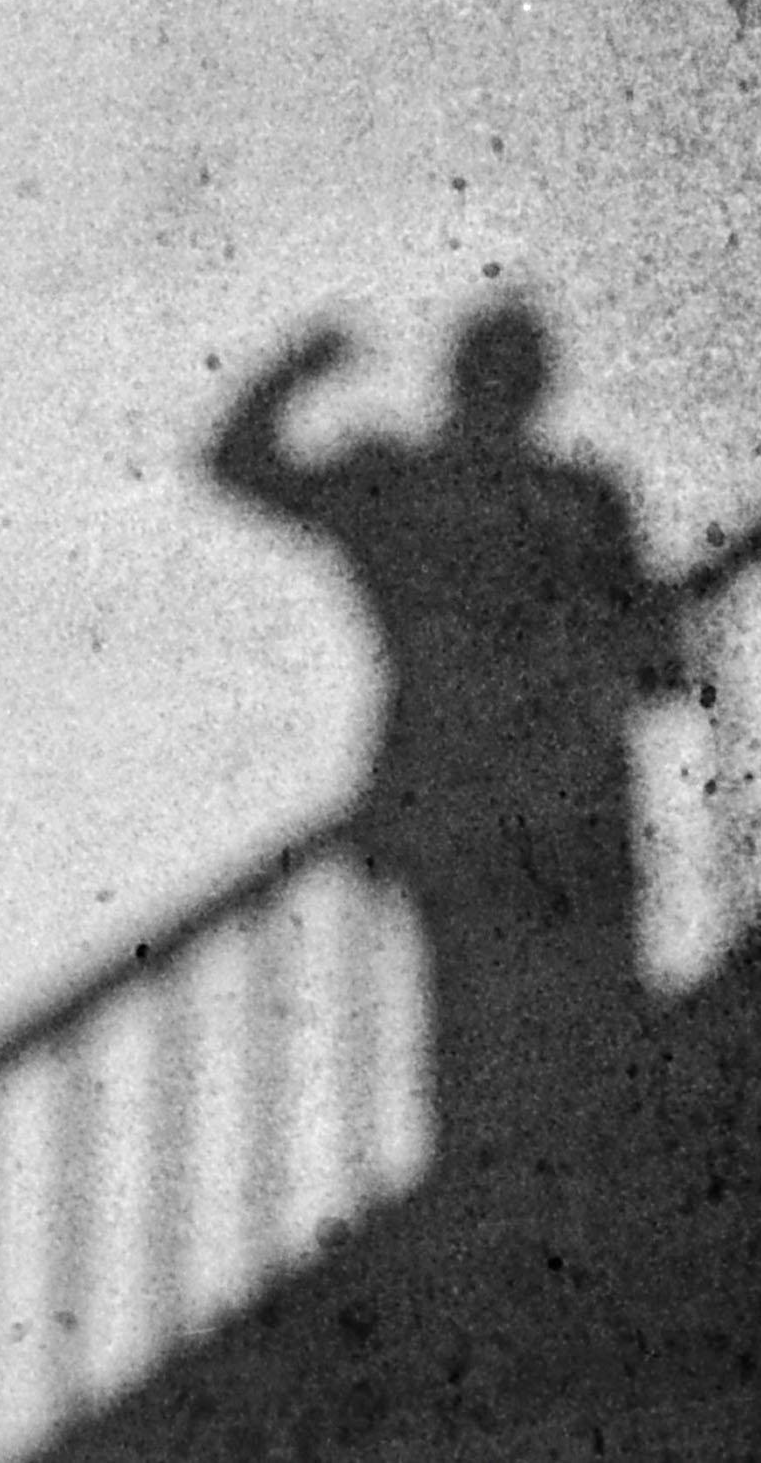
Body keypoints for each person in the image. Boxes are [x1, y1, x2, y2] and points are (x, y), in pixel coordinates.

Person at [207, 298, 681, 1207]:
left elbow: (657, 658)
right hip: (535, 791)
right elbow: (659, 661)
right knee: (541, 1012)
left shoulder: (435, 485)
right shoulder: (555, 496)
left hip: (499, 794)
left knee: (500, 1021)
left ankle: (510, 1190)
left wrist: (297, 369)